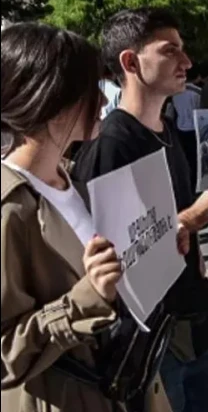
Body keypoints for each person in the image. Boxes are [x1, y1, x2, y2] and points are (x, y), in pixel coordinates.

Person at [1, 23, 173, 411]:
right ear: (48, 98)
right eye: (89, 89)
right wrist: (85, 299)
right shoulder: (10, 209)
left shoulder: (74, 181)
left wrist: (156, 250)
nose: (101, 100)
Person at [72, 8, 208, 411]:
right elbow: (113, 259)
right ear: (130, 62)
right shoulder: (111, 145)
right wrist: (192, 218)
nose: (187, 61)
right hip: (154, 341)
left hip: (196, 321)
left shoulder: (166, 132)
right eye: (171, 51)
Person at [167, 65, 203, 191]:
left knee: (185, 158)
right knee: (195, 159)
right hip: (194, 129)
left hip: (180, 127)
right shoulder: (198, 92)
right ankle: (195, 184)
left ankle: (187, 182)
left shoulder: (176, 93)